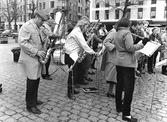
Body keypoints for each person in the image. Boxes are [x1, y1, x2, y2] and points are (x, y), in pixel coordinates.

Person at [114, 17, 146, 122]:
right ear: (128, 24)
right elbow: (130, 48)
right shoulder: (126, 33)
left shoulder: (117, 32)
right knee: (129, 89)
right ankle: (126, 114)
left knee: (119, 85)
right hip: (127, 63)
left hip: (119, 61)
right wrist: (142, 44)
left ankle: (119, 106)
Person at [17, 10, 48, 114]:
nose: (43, 23)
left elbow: (38, 40)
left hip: (36, 58)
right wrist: (36, 52)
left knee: (36, 80)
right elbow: (22, 43)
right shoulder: (27, 26)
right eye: (42, 21)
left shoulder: (38, 27)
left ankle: (34, 100)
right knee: (31, 81)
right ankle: (30, 105)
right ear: (37, 17)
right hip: (30, 58)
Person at [64, 17, 96, 100]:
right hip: (71, 54)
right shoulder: (77, 32)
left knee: (74, 72)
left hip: (73, 54)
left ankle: (72, 89)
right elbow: (84, 45)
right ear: (83, 25)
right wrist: (93, 52)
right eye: (87, 27)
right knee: (72, 74)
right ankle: (69, 92)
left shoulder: (78, 31)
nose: (87, 29)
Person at [100, 27, 117, 98]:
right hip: (112, 56)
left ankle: (110, 91)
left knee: (113, 75)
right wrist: (115, 47)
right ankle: (110, 92)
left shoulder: (116, 32)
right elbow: (106, 42)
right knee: (112, 75)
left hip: (115, 56)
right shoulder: (113, 32)